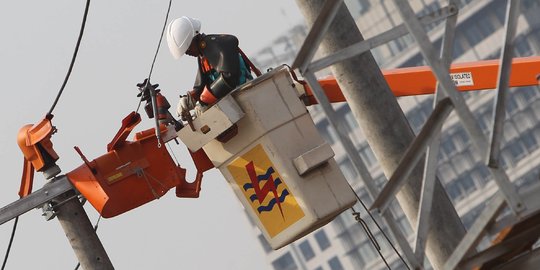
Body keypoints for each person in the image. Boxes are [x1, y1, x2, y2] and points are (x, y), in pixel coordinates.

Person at [166, 16, 257, 116]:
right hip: (237, 102)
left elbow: (229, 77)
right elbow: (201, 86)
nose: (187, 52)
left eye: (187, 47)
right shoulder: (203, 56)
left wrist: (203, 101)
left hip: (247, 95)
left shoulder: (215, 46)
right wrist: (189, 99)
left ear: (194, 38)